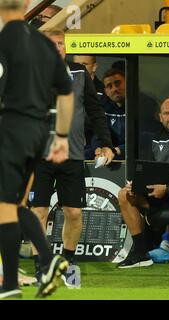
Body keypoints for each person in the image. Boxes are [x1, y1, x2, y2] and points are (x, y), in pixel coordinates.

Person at [29, 28, 115, 288]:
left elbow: (95, 110)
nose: (59, 48)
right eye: (52, 44)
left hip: (73, 155)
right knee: (39, 211)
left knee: (74, 212)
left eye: (61, 44)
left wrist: (106, 144)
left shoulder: (78, 73)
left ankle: (68, 263)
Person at [0, 0, 73, 299]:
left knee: (4, 207)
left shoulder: (3, 39)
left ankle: (11, 285)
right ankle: (45, 260)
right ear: (28, 3)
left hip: (9, 127)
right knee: (16, 206)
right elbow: (66, 92)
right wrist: (62, 137)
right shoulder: (45, 45)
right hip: (37, 131)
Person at [118, 97, 169, 269]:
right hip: (158, 191)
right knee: (124, 194)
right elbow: (146, 169)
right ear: (160, 117)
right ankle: (141, 252)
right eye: (166, 113)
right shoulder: (153, 138)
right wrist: (136, 185)